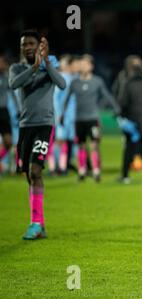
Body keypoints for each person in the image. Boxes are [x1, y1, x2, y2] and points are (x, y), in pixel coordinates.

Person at [9, 30, 66, 240]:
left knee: (35, 171)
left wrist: (47, 64)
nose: (28, 47)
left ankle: (34, 223)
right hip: (25, 127)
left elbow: (62, 84)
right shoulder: (17, 68)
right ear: (21, 48)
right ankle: (39, 223)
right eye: (24, 44)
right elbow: (13, 84)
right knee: (28, 175)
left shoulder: (49, 68)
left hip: (44, 125)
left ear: (39, 46)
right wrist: (34, 68)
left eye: (32, 43)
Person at [61, 54, 120, 182]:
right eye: (81, 64)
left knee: (94, 145)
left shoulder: (97, 81)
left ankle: (96, 170)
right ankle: (82, 170)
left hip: (93, 118)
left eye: (86, 64)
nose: (83, 66)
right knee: (81, 145)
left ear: (91, 66)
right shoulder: (74, 83)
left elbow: (106, 95)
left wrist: (115, 108)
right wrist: (62, 114)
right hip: (79, 119)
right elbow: (67, 99)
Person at [48, 54, 77, 175]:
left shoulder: (73, 78)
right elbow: (55, 98)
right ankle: (54, 167)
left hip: (71, 116)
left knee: (68, 141)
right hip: (62, 117)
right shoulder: (61, 78)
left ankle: (63, 166)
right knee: (59, 141)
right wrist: (58, 114)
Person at [0, 55, 18, 166]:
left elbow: (12, 94)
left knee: (9, 142)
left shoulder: (6, 78)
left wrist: (18, 109)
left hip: (3, 112)